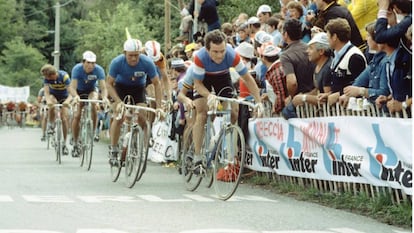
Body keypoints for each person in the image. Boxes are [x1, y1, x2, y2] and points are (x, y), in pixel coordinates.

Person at [191, 29, 263, 171]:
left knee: (233, 111)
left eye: (222, 51)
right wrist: (209, 96)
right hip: (203, 79)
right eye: (215, 52)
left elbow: (248, 79)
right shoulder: (200, 57)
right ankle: (197, 156)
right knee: (202, 113)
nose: (220, 55)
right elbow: (198, 85)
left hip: (222, 77)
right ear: (207, 49)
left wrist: (259, 101)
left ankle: (219, 136)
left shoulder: (231, 55)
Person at [106, 38, 164, 161]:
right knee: (118, 116)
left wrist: (159, 106)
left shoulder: (147, 62)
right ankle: (114, 147)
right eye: (130, 55)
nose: (133, 59)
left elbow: (157, 84)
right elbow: (109, 84)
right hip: (120, 88)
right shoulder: (117, 62)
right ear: (124, 53)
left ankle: (138, 141)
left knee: (143, 115)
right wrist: (118, 101)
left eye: (136, 56)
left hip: (138, 88)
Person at [338, 21, 390, 107]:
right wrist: (347, 94)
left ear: (377, 38)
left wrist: (361, 91)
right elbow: (360, 80)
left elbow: (384, 92)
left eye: (368, 36)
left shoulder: (385, 62)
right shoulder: (374, 61)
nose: (366, 39)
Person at [282, 32, 333, 119]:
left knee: (287, 111)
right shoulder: (318, 67)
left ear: (321, 51)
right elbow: (317, 90)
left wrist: (304, 98)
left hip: (329, 115)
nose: (307, 51)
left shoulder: (327, 69)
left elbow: (326, 99)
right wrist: (302, 96)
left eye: (311, 48)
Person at [70, 51, 109, 157]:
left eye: (93, 63)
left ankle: (93, 130)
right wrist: (75, 96)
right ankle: (75, 140)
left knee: (93, 103)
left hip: (92, 90)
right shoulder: (77, 69)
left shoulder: (99, 70)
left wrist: (105, 97)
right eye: (88, 63)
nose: (91, 65)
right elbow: (72, 87)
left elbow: (103, 87)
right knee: (77, 115)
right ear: (83, 62)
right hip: (79, 91)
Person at [320, 18, 366, 105]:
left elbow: (360, 84)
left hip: (353, 110)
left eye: (328, 36)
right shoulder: (336, 55)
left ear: (334, 37)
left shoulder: (354, 56)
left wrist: (338, 94)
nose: (327, 39)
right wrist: (329, 95)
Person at [41, 64, 76, 156]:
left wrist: (68, 102)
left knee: (64, 119)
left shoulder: (64, 76)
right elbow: (47, 92)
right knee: (51, 103)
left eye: (47, 77)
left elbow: (71, 92)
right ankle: (52, 124)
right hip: (54, 95)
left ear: (52, 75)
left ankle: (64, 143)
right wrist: (48, 102)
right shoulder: (47, 78)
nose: (46, 79)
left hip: (65, 96)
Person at [280, 19, 315, 104]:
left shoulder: (286, 55)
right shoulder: (310, 48)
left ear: (286, 34)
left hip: (301, 102)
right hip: (316, 96)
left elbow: (292, 82)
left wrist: (292, 98)